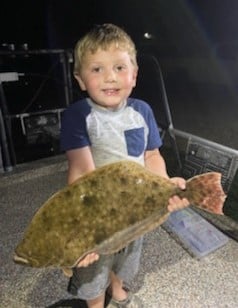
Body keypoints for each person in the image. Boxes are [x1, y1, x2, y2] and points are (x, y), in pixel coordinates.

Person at [60, 23, 189, 308]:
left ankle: (117, 287)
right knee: (94, 265)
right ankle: (96, 303)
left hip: (136, 209)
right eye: (97, 69)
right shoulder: (78, 115)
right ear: (80, 79)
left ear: (134, 75)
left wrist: (166, 184)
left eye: (119, 67)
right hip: (98, 213)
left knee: (128, 255)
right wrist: (83, 228)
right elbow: (80, 170)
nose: (110, 77)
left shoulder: (142, 111)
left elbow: (152, 155)